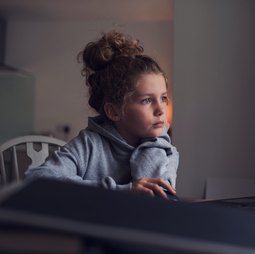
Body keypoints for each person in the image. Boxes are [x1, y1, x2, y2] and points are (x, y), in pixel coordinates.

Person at [25, 31, 179, 199]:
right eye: (147, 100)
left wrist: (154, 143)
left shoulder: (165, 149)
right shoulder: (89, 144)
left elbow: (157, 201)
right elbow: (37, 181)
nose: (161, 109)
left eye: (163, 98)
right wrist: (123, 191)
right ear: (113, 112)